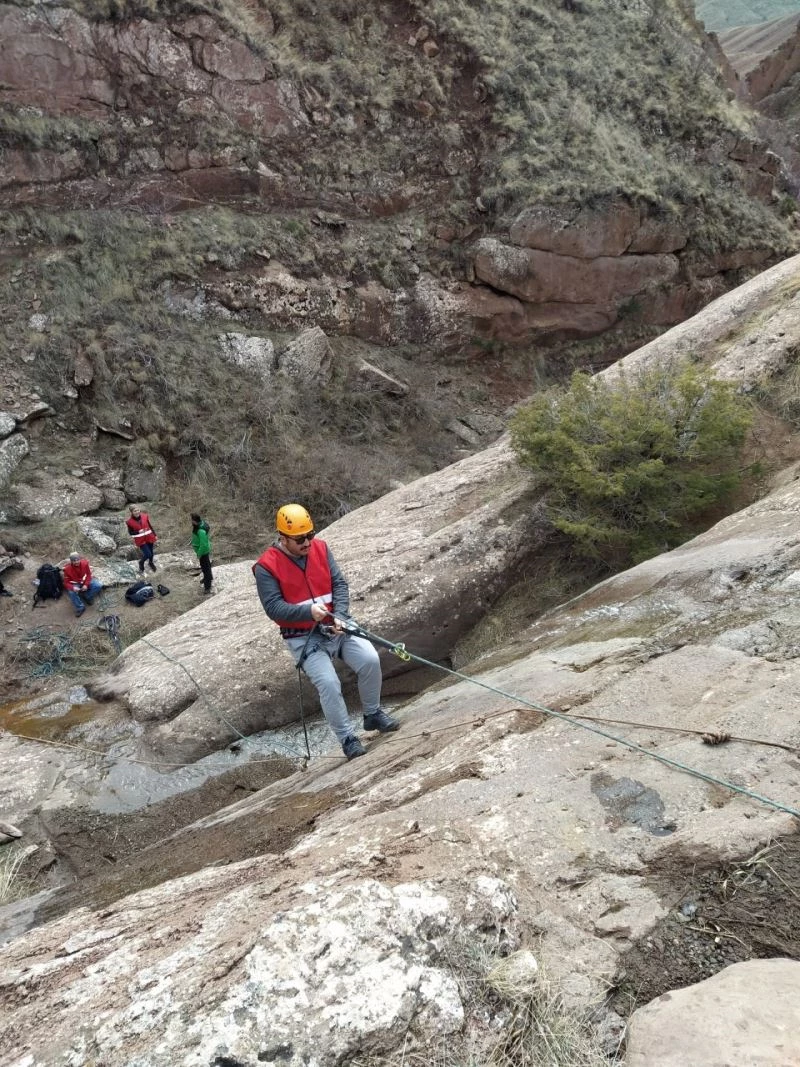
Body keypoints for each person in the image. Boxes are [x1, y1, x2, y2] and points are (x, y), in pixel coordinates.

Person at [253, 503, 400, 760]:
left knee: (370, 660)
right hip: (303, 636)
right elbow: (274, 608)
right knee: (329, 684)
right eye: (300, 539)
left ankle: (373, 714)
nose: (307, 542)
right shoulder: (267, 567)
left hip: (336, 625)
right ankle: (347, 738)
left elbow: (339, 584)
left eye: (310, 535)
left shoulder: (321, 549)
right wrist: (308, 613)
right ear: (283, 538)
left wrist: (340, 616)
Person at [61, 552, 103, 617]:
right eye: (74, 561)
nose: (76, 562)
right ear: (71, 561)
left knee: (98, 585)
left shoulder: (85, 563)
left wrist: (86, 584)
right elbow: (66, 583)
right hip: (75, 583)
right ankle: (80, 607)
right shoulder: (67, 569)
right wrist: (73, 588)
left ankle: (87, 596)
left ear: (80, 559)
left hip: (84, 580)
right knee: (71, 592)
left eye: (77, 560)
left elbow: (88, 575)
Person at [126, 504, 157, 575]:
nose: (137, 512)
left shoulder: (145, 516)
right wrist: (138, 531)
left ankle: (151, 563)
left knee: (151, 553)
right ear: (132, 512)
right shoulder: (129, 522)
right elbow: (130, 533)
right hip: (141, 540)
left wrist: (155, 535)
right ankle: (141, 563)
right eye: (135, 511)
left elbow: (150, 526)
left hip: (149, 537)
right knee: (148, 554)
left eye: (138, 510)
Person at [191, 513, 213, 594]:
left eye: (192, 520)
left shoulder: (200, 530)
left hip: (203, 552)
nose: (191, 522)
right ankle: (209, 577)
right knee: (206, 566)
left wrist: (199, 553)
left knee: (206, 568)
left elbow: (203, 545)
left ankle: (207, 587)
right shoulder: (201, 524)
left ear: (194, 521)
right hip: (202, 551)